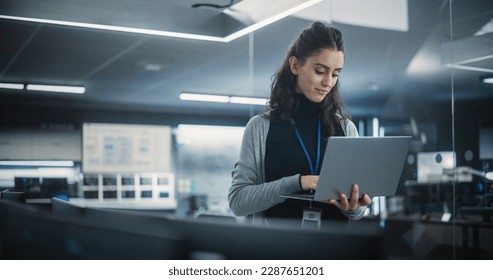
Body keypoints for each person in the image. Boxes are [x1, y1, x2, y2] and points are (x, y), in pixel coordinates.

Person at [228, 22, 371, 226]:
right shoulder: (260, 127)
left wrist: (354, 208)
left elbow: (357, 212)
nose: (328, 82)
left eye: (336, 73)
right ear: (295, 65)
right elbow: (238, 201)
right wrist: (297, 183)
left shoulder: (347, 129)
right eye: (320, 71)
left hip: (335, 252)